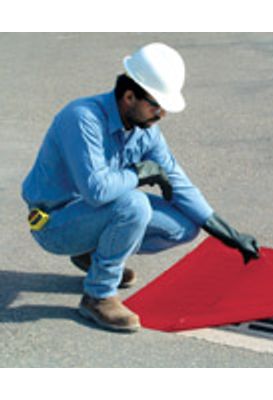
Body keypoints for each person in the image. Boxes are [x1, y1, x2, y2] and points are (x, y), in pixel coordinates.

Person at [21, 43, 260, 333]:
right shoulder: (82, 119)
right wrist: (138, 173)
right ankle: (98, 295)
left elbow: (178, 182)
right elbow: (96, 191)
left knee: (185, 226)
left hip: (95, 214)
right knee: (133, 204)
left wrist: (229, 234)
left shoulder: (145, 130)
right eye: (155, 105)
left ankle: (95, 255)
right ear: (129, 97)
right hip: (55, 223)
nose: (161, 114)